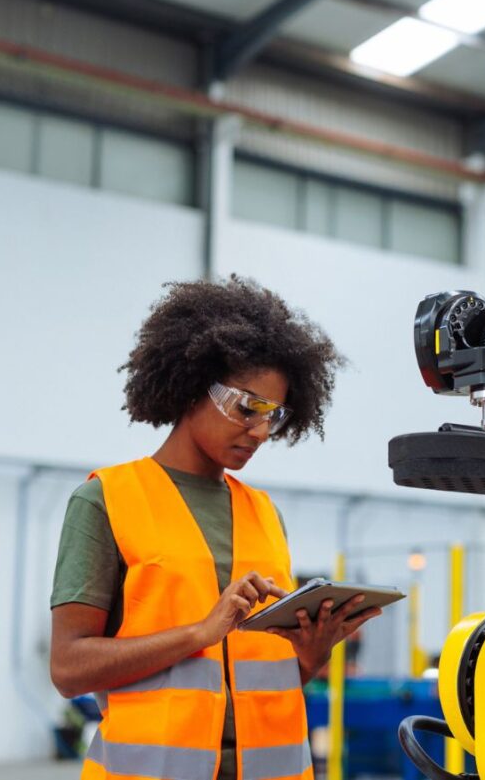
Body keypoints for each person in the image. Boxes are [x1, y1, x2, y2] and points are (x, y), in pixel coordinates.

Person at [49, 277, 380, 780]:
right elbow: (69, 669)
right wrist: (200, 633)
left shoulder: (266, 514)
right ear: (190, 388)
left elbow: (252, 681)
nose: (261, 431)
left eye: (275, 416)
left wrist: (310, 656)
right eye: (247, 408)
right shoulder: (107, 500)